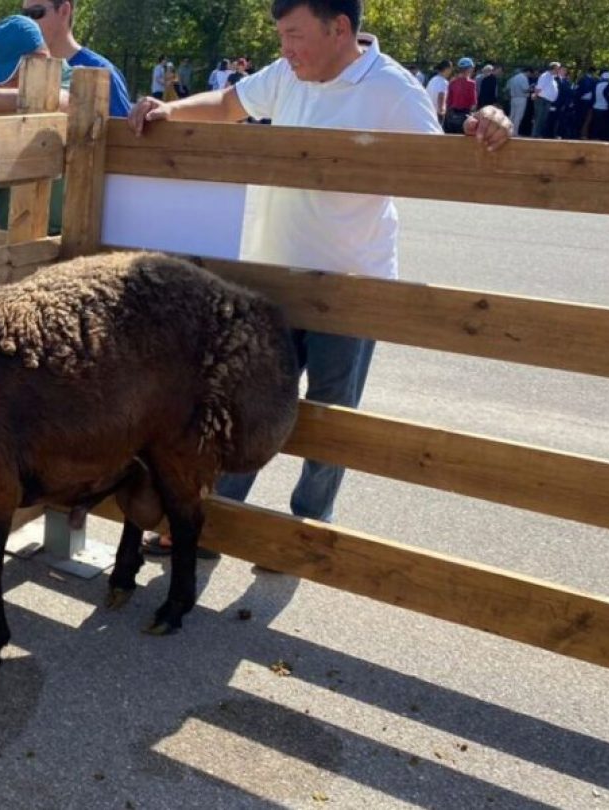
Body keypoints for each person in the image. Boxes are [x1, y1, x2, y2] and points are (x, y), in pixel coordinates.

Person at [128, 0, 510, 553]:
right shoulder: (287, 74)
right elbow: (231, 102)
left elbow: (441, 164)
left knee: (332, 416)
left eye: (294, 35)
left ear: (340, 29)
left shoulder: (393, 91)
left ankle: (306, 531)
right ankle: (219, 524)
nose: (285, 48)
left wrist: (489, 127)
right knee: (244, 404)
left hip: (350, 283)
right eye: (281, 36)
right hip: (275, 278)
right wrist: (171, 109)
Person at [20, 0, 134, 118]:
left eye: (36, 13)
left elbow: (123, 134)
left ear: (64, 11)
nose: (27, 23)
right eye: (24, 15)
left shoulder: (103, 73)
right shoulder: (20, 70)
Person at [445, 57, 477, 133]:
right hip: (465, 116)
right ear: (469, 69)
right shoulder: (471, 83)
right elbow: (473, 104)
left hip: (452, 116)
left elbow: (448, 101)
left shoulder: (452, 82)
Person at [533, 61, 560, 137]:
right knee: (539, 118)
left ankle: (538, 135)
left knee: (543, 119)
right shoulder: (545, 76)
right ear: (553, 68)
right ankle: (535, 135)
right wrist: (535, 95)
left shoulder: (552, 77)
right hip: (542, 100)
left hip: (547, 101)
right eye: (558, 68)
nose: (558, 70)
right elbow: (538, 88)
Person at [507, 65, 531, 136]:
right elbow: (525, 89)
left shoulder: (514, 77)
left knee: (512, 115)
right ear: (528, 72)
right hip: (521, 98)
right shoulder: (524, 78)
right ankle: (515, 132)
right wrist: (531, 89)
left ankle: (508, 131)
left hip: (513, 98)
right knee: (518, 116)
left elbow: (508, 87)